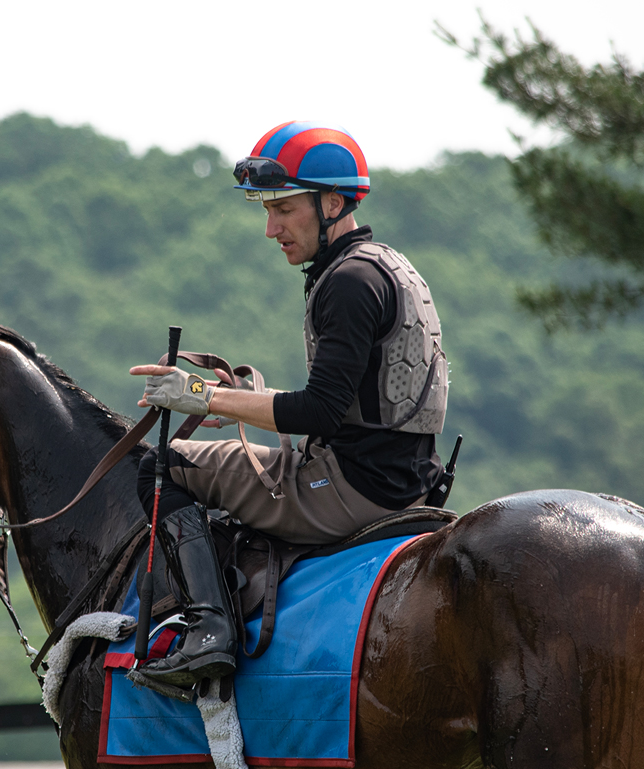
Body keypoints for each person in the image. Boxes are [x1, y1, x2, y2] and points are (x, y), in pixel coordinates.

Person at [130, 121, 449, 687]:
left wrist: (198, 393)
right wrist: (241, 402)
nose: (271, 228)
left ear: (333, 202)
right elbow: (343, 405)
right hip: (404, 480)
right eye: (266, 210)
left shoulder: (348, 281)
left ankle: (210, 634)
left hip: (352, 490)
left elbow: (318, 413)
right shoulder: (385, 265)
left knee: (161, 463)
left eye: (285, 209)